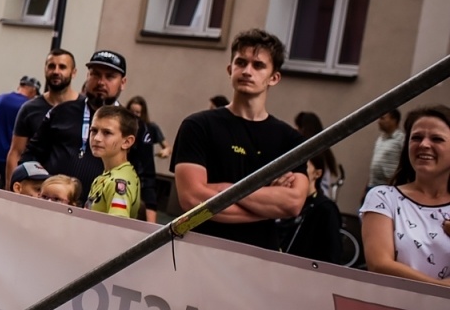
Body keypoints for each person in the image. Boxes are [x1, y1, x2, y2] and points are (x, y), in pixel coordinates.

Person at [171, 29, 308, 250]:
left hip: (260, 257)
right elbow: (192, 200)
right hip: (201, 252)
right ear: (230, 69)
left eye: (258, 65)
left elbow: (292, 204)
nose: (247, 71)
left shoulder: (289, 140)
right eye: (241, 62)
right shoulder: (198, 126)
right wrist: (267, 208)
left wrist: (226, 189)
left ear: (274, 77)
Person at [21, 50, 158, 219]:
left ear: (122, 82)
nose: (101, 82)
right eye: (95, 74)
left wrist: (153, 233)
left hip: (101, 218)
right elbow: (30, 158)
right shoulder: (60, 112)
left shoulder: (135, 126)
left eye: (110, 76)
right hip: (51, 211)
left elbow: (147, 182)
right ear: (87, 76)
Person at [362, 105, 450, 285]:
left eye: (437, 139)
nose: (424, 144)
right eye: (416, 137)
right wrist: (443, 288)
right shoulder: (383, 198)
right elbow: (380, 265)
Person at [4, 50, 77, 183]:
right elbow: (16, 152)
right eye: (51, 66)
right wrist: (12, 189)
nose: (56, 71)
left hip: (71, 190)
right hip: (35, 187)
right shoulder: (30, 109)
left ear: (73, 72)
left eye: (62, 67)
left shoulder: (84, 108)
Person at [283, 154, 347, 265]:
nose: (295, 171)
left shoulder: (325, 208)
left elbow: (333, 256)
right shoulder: (282, 201)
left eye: (303, 167)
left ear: (317, 174)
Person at [84, 105, 144, 219]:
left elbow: (117, 229)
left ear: (127, 142)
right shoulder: (111, 174)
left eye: (107, 133)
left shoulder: (118, 182)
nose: (97, 138)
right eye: (94, 130)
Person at [294, 111, 345, 200]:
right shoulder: (324, 149)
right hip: (323, 195)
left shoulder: (312, 152)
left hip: (315, 196)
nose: (295, 130)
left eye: (298, 127)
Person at [370, 109, 406, 188]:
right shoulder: (380, 139)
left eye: (382, 118)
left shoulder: (401, 139)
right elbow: (375, 164)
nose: (379, 121)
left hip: (389, 187)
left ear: (394, 120)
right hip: (373, 185)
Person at [126, 96, 169, 160]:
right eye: (131, 112)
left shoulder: (151, 128)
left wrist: (165, 151)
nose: (134, 115)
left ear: (143, 113)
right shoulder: (122, 128)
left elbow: (167, 147)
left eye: (137, 112)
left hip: (147, 169)